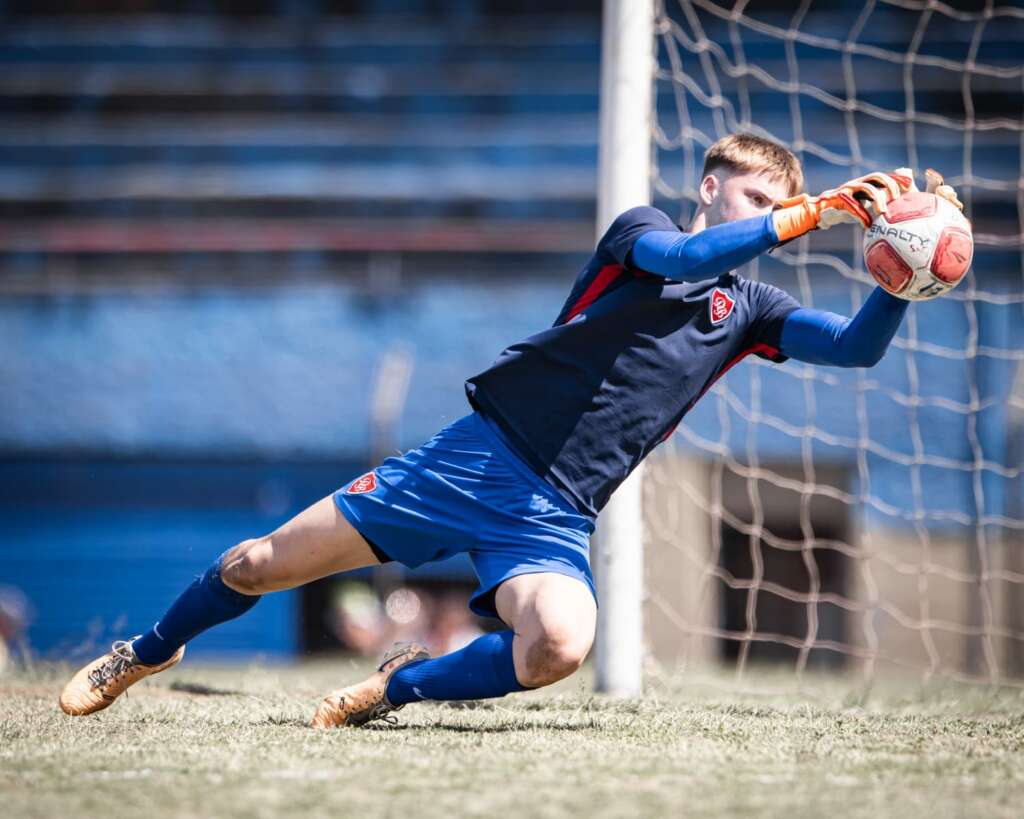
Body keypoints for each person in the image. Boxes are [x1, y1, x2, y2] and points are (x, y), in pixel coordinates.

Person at [59, 134, 963, 727]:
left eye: (775, 200)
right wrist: (810, 213)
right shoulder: (640, 231)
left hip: (554, 517)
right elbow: (686, 258)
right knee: (259, 565)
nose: (758, 208)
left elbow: (853, 352)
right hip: (471, 460)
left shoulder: (754, 306)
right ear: (711, 185)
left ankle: (396, 685)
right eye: (751, 194)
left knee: (561, 645)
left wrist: (903, 278)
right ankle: (145, 651)